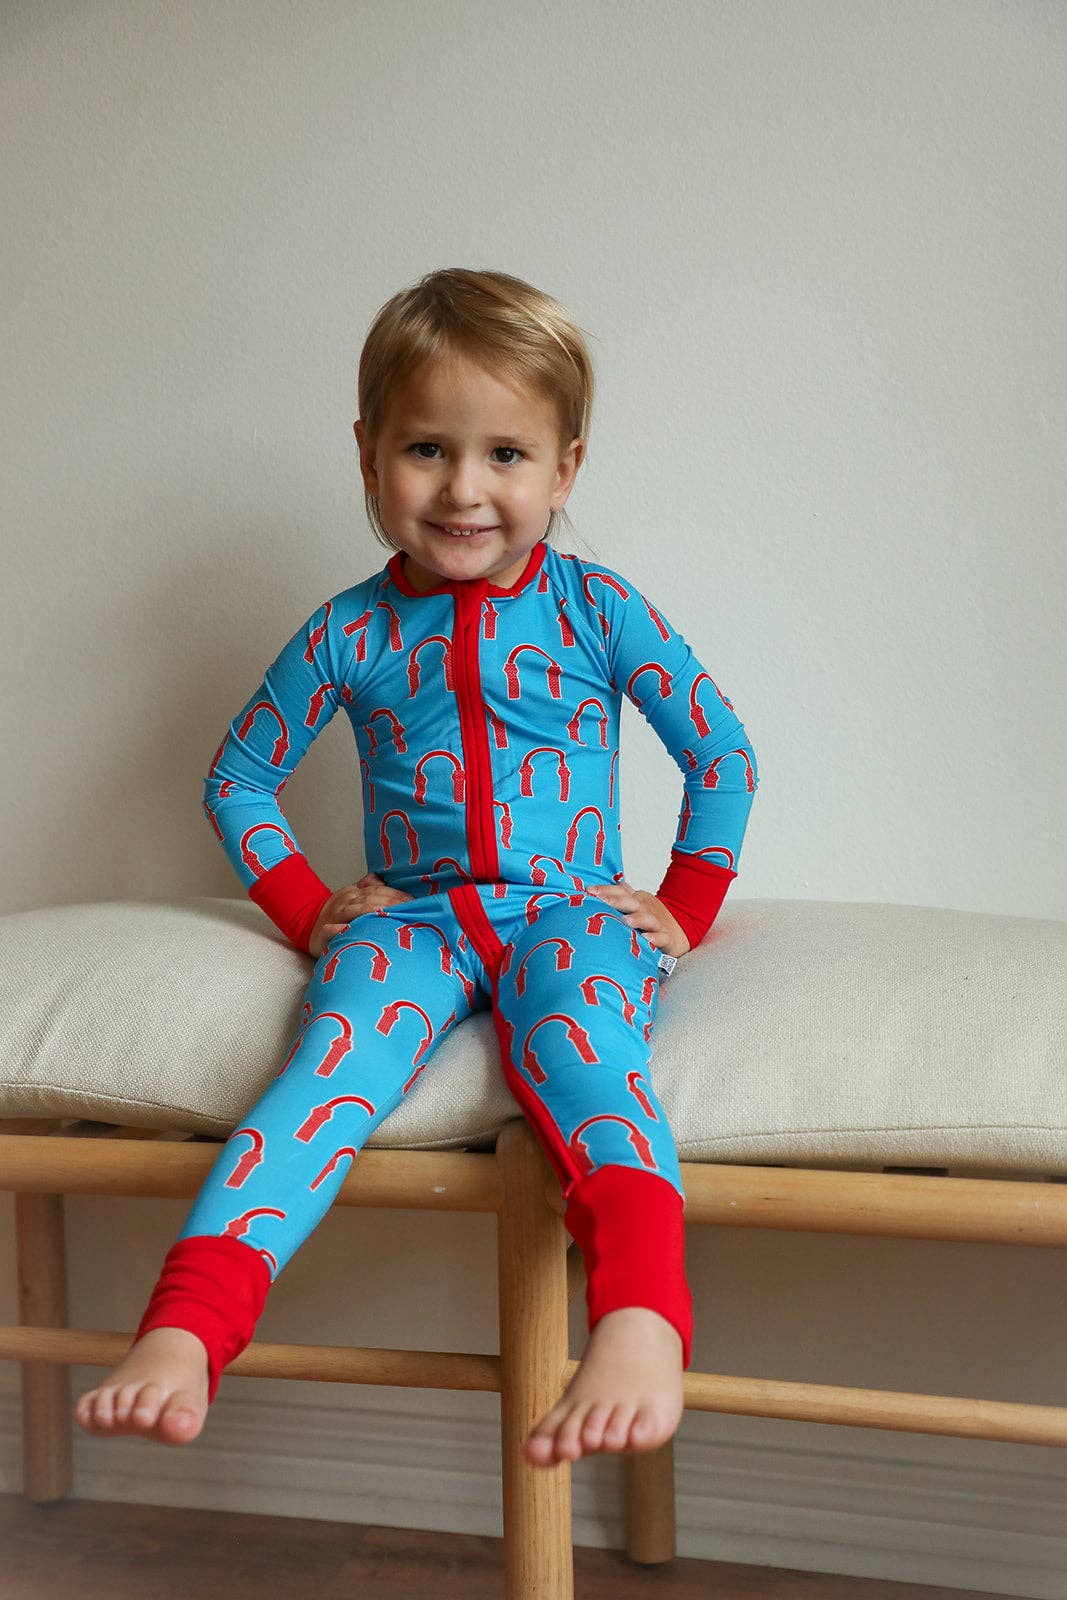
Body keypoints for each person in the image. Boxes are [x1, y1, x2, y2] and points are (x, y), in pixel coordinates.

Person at [74, 267, 758, 1469]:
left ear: (564, 470)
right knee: (318, 1079)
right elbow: (238, 779)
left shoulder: (598, 610)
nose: (463, 488)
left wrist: (683, 907)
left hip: (568, 915)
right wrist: (307, 909)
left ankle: (641, 1321)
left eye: (506, 454)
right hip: (416, 926)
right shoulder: (349, 630)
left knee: (589, 1063)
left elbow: (720, 753)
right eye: (427, 448)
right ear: (368, 453)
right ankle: (186, 1326)